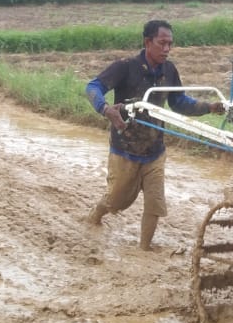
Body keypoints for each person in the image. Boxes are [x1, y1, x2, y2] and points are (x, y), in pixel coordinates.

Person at [84, 19, 225, 250]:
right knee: (117, 200)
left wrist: (208, 107)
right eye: (162, 43)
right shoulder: (125, 66)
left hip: (155, 151)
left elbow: (179, 102)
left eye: (170, 44)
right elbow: (93, 86)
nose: (167, 49)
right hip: (125, 149)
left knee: (154, 203)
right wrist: (106, 109)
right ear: (147, 42)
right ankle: (97, 214)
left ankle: (144, 250)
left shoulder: (169, 70)